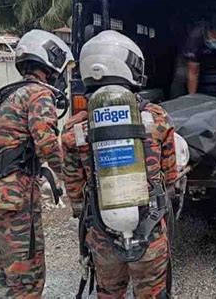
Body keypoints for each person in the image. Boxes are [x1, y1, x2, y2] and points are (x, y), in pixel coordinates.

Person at [62, 30, 177, 298]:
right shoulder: (157, 117)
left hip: (103, 235)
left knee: (109, 292)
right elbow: (170, 176)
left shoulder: (74, 128)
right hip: (149, 231)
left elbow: (75, 191)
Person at [0, 30, 73, 298]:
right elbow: (47, 144)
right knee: (27, 278)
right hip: (16, 199)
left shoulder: (6, 95)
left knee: (4, 272)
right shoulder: (38, 94)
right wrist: (72, 179)